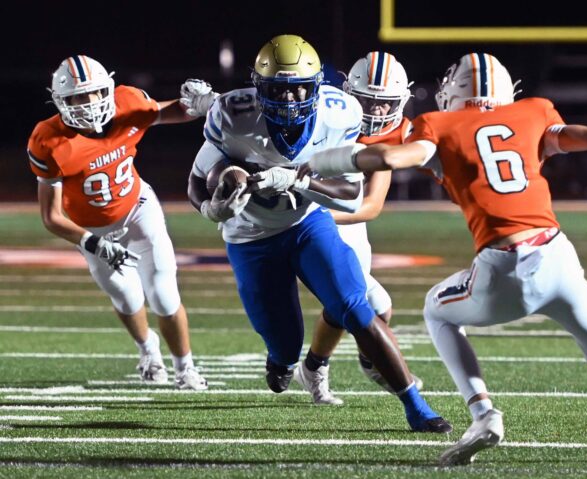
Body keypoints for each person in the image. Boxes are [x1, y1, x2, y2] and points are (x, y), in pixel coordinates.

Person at [308, 52, 587, 464]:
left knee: (437, 311)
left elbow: (389, 156)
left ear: (452, 93)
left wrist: (316, 165)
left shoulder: (438, 124)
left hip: (504, 264)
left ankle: (483, 414)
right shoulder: (533, 112)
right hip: (558, 258)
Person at [186, 35, 451, 433]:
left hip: (308, 223)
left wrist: (298, 180)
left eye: (299, 89)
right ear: (259, 88)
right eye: (278, 90)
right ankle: (283, 361)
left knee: (356, 306)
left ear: (317, 87)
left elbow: (351, 195)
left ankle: (416, 405)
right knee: (285, 345)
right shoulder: (233, 115)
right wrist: (212, 206)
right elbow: (197, 179)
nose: (290, 100)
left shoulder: (338, 114)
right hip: (251, 237)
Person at [27, 55, 213, 390]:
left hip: (138, 210)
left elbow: (171, 111)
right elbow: (51, 216)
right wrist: (93, 243)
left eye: (94, 93)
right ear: (61, 102)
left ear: (107, 90)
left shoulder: (127, 103)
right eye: (77, 98)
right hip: (93, 230)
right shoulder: (48, 140)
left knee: (163, 293)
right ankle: (148, 350)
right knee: (126, 298)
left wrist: (202, 105)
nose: (88, 103)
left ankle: (185, 368)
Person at [297, 51, 422, 402]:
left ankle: (325, 365)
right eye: (367, 101)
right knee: (365, 304)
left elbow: (371, 206)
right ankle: (368, 364)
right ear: (348, 94)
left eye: (384, 104)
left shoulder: (393, 137)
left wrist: (317, 215)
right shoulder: (324, 119)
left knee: (366, 305)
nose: (376, 112)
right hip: (305, 222)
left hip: (340, 219)